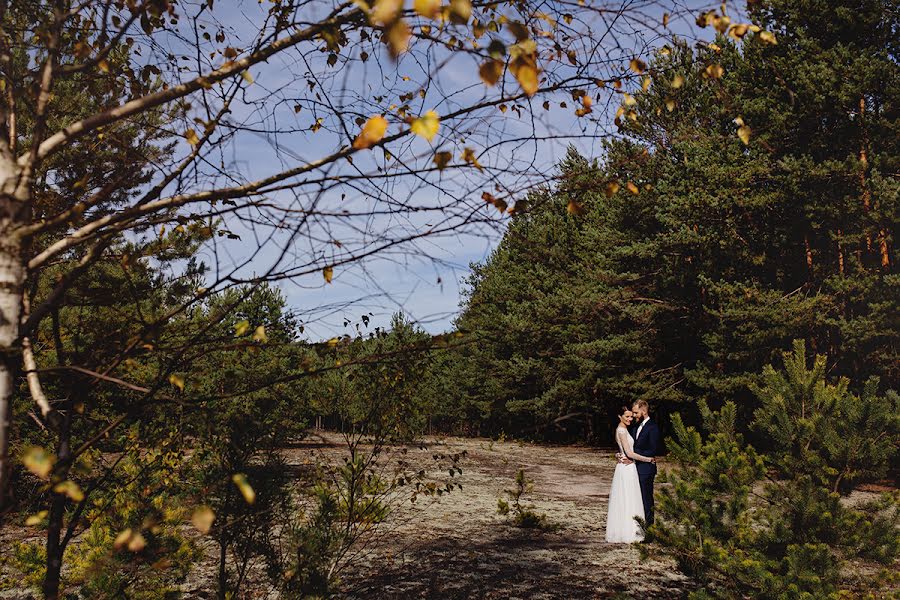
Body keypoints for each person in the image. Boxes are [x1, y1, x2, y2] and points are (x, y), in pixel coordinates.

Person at [605, 405, 655, 543]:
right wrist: (648, 459)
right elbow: (629, 453)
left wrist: (619, 454)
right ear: (619, 417)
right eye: (626, 416)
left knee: (627, 498)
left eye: (631, 416)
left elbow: (624, 451)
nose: (630, 419)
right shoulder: (621, 430)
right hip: (627, 467)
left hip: (625, 466)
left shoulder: (625, 429)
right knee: (628, 498)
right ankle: (629, 532)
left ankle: (627, 529)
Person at [627, 399, 660, 527]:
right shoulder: (635, 427)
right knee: (636, 499)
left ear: (644, 411)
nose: (634, 416)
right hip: (634, 468)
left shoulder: (653, 427)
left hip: (646, 469)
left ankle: (649, 529)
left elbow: (654, 449)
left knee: (646, 499)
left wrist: (632, 454)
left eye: (636, 413)